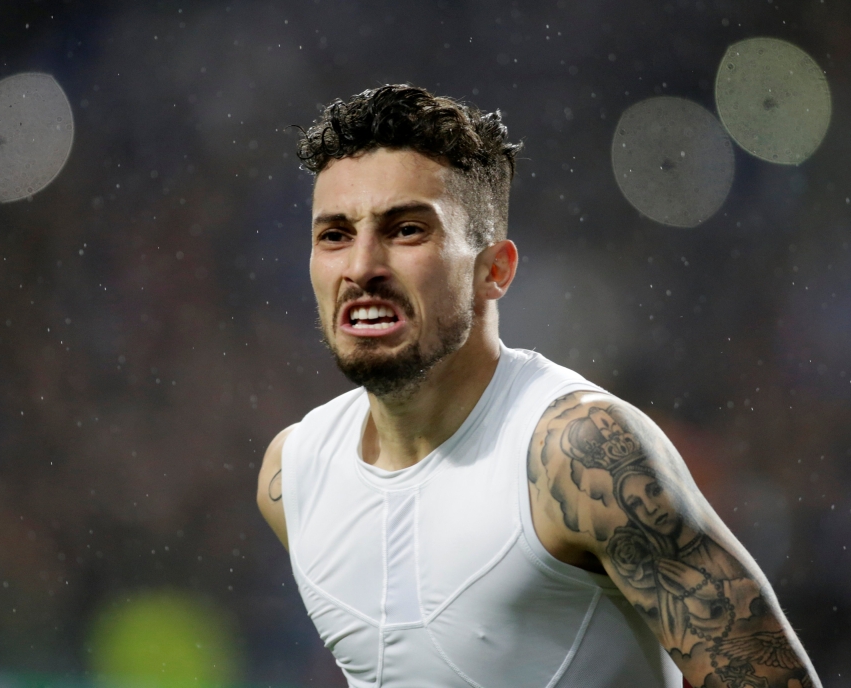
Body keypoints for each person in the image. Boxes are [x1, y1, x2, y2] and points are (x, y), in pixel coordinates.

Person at [257, 84, 820, 688]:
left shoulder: (582, 453)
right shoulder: (292, 476)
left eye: (407, 230)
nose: (361, 265)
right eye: (334, 235)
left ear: (494, 269)